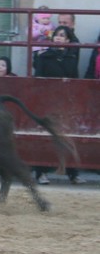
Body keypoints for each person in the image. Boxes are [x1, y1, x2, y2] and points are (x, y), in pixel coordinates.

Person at [33, 25, 86, 185]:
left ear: (68, 40)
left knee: (67, 138)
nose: (58, 38)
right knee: (45, 138)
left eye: (62, 36)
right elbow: (38, 80)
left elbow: (74, 79)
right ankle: (40, 173)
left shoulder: (71, 58)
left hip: (65, 102)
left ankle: (72, 173)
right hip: (47, 101)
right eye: (56, 35)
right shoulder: (44, 56)